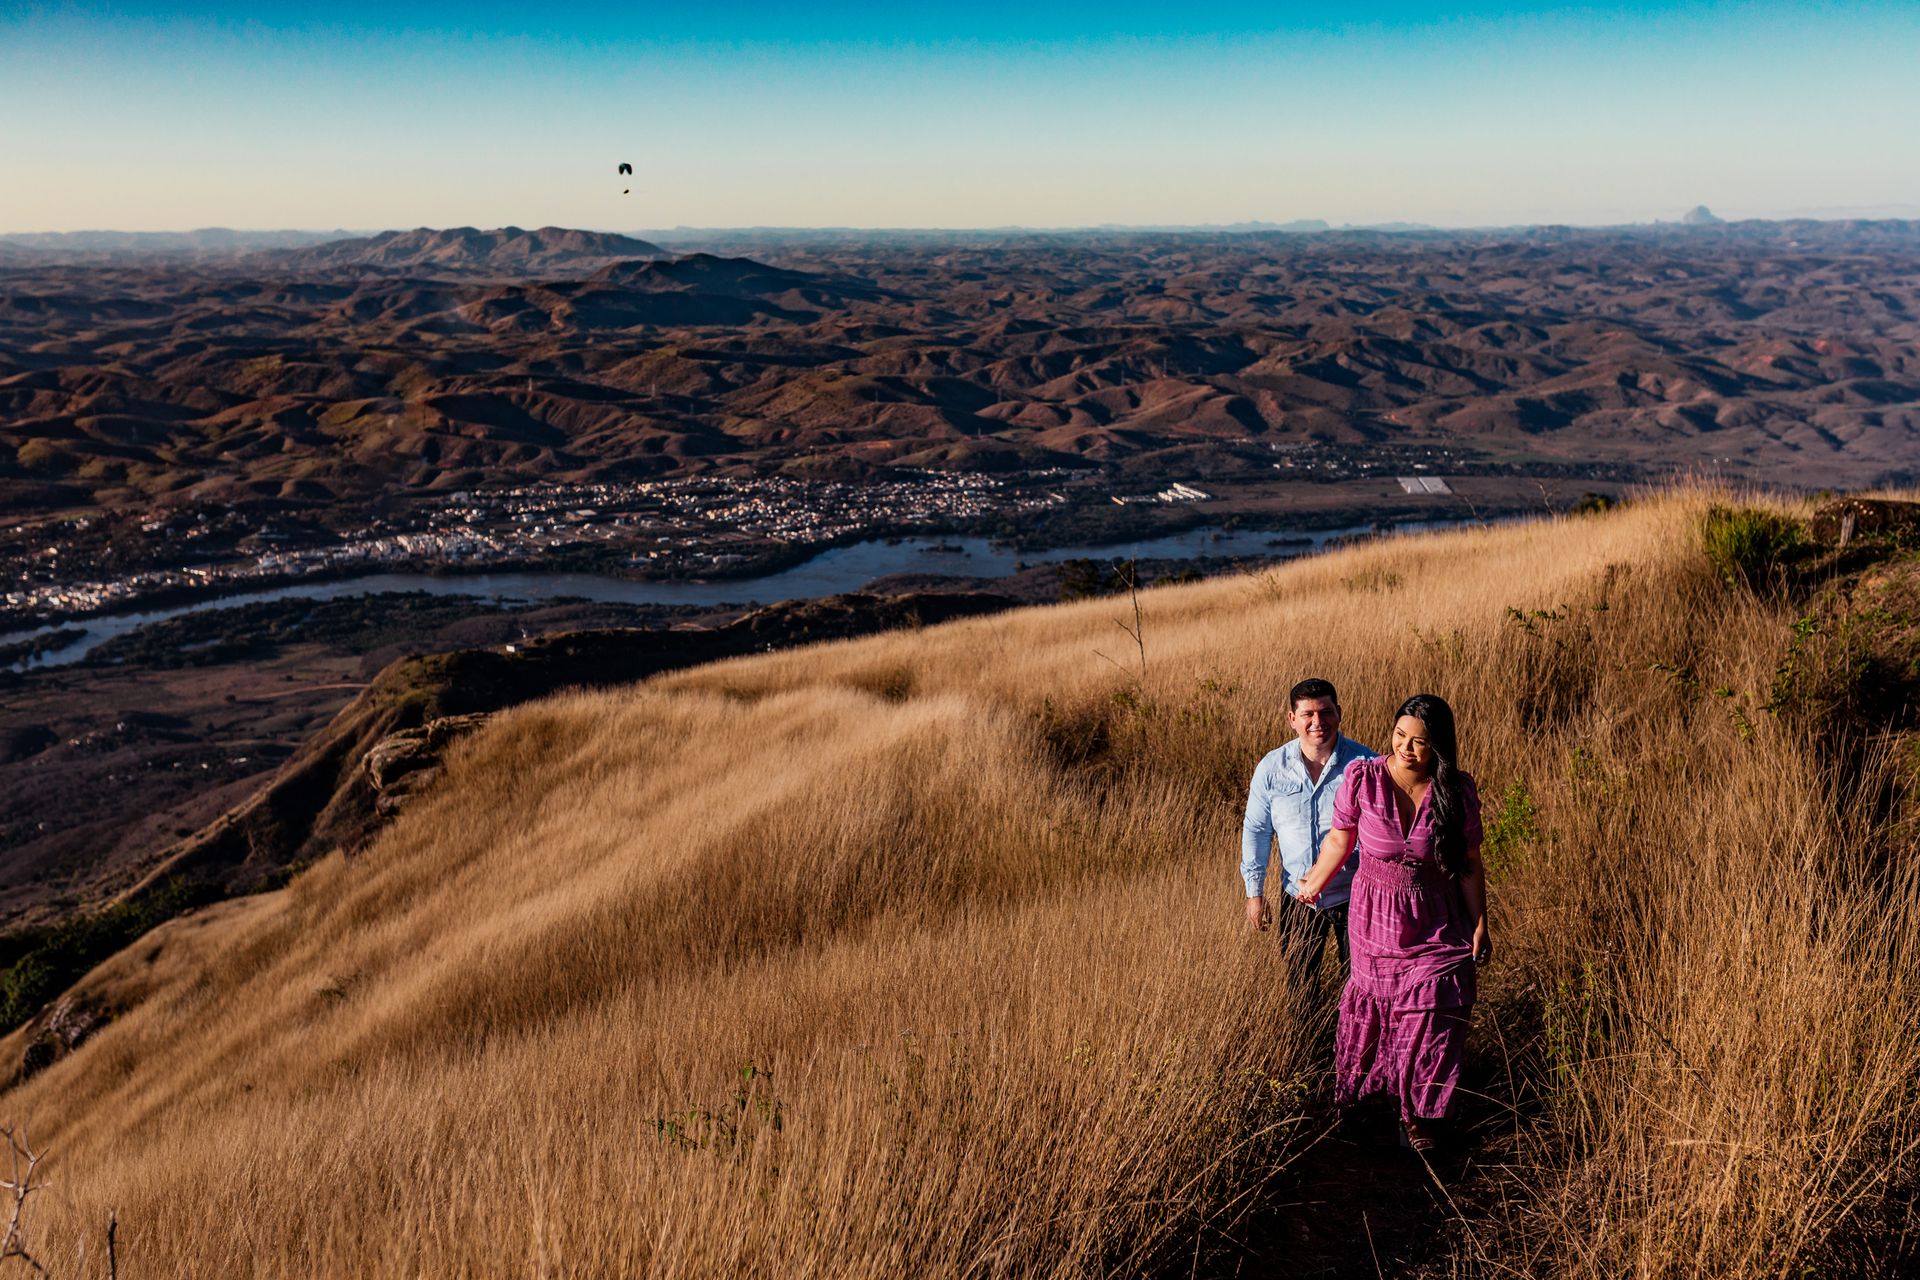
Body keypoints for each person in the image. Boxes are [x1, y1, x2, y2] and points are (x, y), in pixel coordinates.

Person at [1294, 693, 1490, 1153]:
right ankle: (1376, 1104)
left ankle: (1418, 1115)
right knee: (1381, 1012)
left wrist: (1480, 922)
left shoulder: (1455, 792)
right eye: (1400, 736)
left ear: (1437, 747)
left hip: (1435, 918)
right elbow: (1339, 843)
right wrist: (1313, 885)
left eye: (1419, 742)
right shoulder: (1364, 779)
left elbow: (1470, 864)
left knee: (1433, 1008)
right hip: (1375, 918)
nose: (1406, 748)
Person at [1240, 678, 1376, 975]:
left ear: (1339, 712)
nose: (1318, 722)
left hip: (1355, 896)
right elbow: (1257, 831)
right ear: (1292, 719)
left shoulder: (1366, 765)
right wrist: (1255, 893)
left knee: (1361, 987)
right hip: (1298, 895)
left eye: (1326, 712)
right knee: (1301, 990)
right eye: (1308, 715)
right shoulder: (1272, 768)